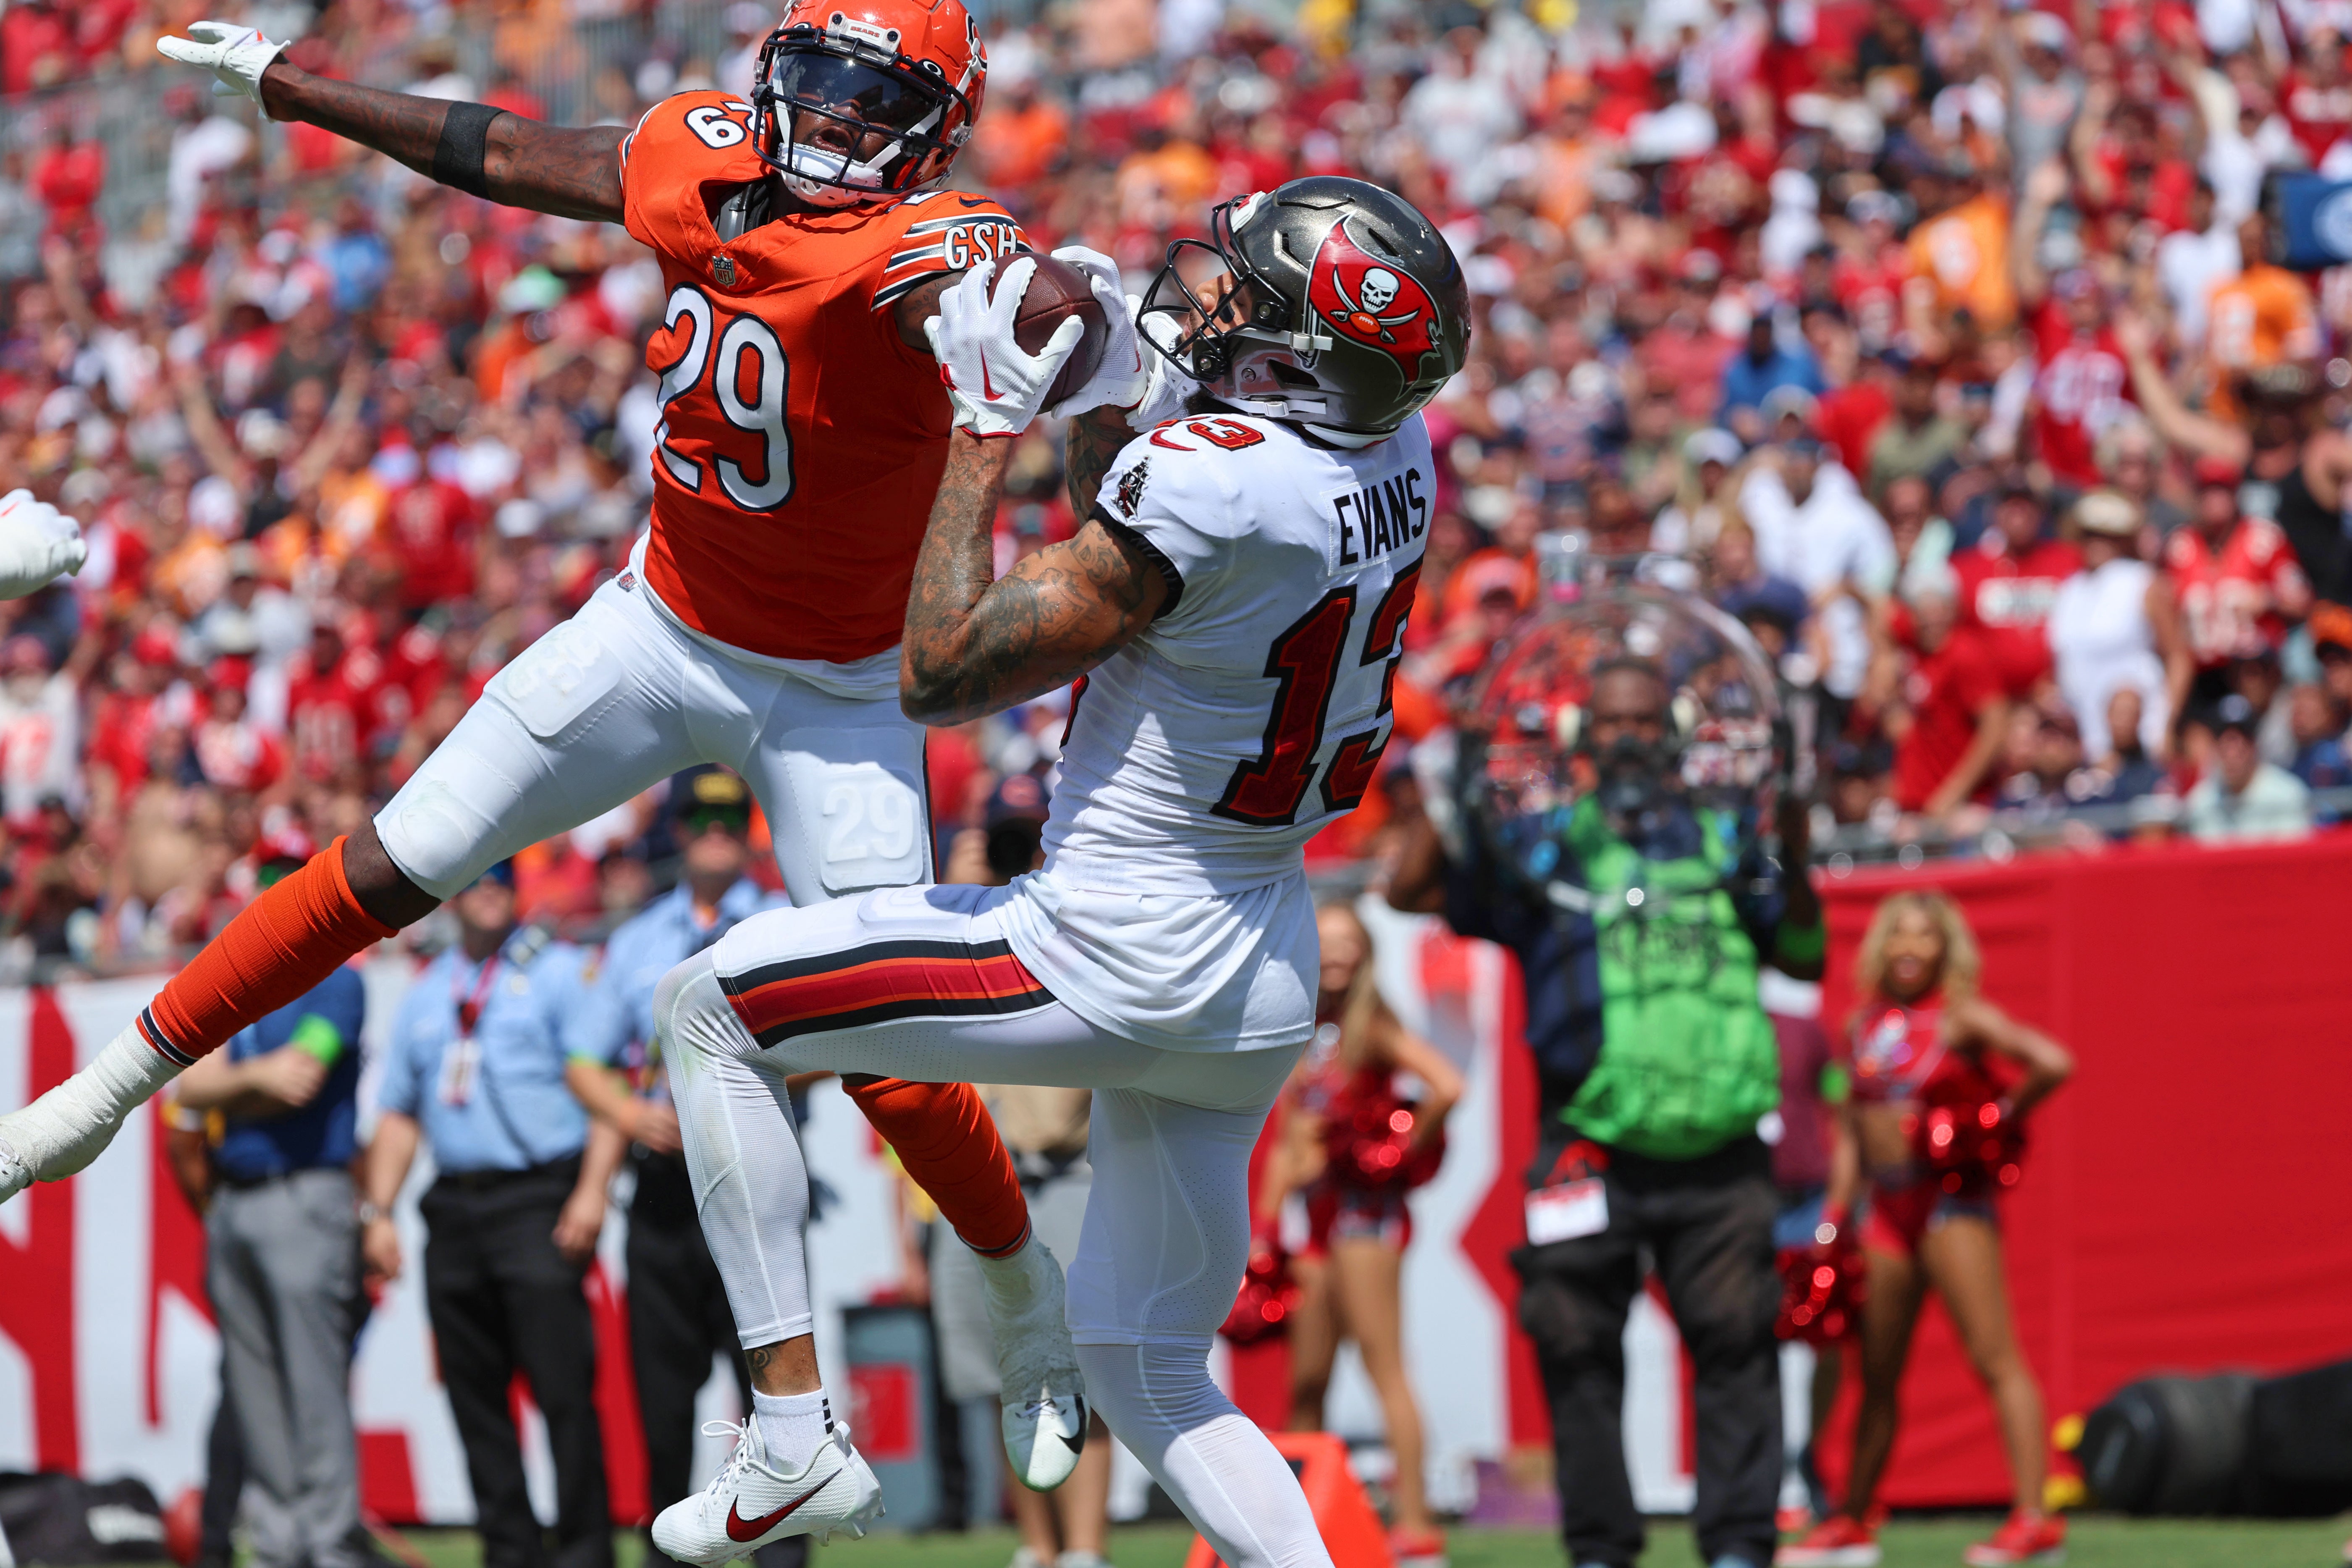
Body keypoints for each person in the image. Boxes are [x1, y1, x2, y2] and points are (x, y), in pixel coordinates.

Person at [5, 0, 1201, 1480]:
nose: (832, 119)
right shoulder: (696, 153)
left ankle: (1027, 1305)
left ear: (935, 130)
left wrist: (1061, 316)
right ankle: (101, 1096)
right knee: (400, 855)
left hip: (833, 691)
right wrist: (301, 94)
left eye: (869, 98)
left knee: (889, 1043)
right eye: (818, 82)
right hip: (660, 624)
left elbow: (1032, 307)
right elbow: (503, 147)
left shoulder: (926, 245)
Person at [637, 176, 1468, 1564]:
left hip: (1112, 941)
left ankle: (787, 1434)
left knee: (710, 1008)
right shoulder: (1396, 450)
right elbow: (1141, 538)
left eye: (1250, 303)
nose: (1216, 305)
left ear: (1302, 358)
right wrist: (1117, 394)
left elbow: (941, 671)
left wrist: (982, 421)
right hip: (1259, 956)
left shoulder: (1222, 483)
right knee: (1145, 1362)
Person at [1391, 656, 1828, 1568]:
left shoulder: (1723, 843)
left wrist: (1788, 827)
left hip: (1718, 1147)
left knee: (1736, 1343)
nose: (1628, 738)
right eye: (1611, 723)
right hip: (1583, 1143)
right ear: (1580, 740)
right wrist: (1457, 782)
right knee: (1574, 1344)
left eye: (1643, 722)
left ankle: (1741, 1548)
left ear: (1671, 735)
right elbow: (1408, 890)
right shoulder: (1544, 851)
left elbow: (1802, 954)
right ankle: (1599, 1551)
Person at [1779, 891, 2073, 1568]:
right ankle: (1852, 1520)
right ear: (1882, 946)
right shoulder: (1863, 1025)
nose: (1910, 948)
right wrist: (1835, 1217)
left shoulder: (1961, 1016)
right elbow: (1853, 1129)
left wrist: (1987, 1122)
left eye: (1925, 936)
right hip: (1884, 1211)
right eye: (1899, 936)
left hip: (1949, 1205)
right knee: (1874, 1371)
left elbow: (2053, 1061)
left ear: (1946, 949)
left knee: (1994, 1356)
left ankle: (2033, 1519)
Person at [559, 768, 805, 1568]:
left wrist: (731, 1088)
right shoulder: (635, 939)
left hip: (757, 1180)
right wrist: (635, 1115)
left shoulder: (781, 926)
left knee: (780, 1406)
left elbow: (836, 1046)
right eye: (699, 814)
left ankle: (783, 1559)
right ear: (677, 826)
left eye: (730, 814)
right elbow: (586, 1063)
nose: (715, 826)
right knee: (663, 1410)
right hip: (664, 1193)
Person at [359, 862, 624, 1568]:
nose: (489, 886)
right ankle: (509, 1551)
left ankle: (584, 1550)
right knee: (475, 1398)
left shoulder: (560, 970)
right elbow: (397, 1113)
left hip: (538, 1195)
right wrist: (378, 1210)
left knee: (563, 1390)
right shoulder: (425, 992)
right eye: (475, 875)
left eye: (502, 873)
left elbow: (606, 1084)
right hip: (454, 1207)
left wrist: (593, 1188)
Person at [930, 773, 1116, 1568]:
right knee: (1006, 1379)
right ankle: (1035, 1547)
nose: (1016, 855)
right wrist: (957, 905)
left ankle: (1085, 1548)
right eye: (1004, 837)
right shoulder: (944, 925)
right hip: (978, 1178)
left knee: (1084, 1373)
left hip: (1064, 1174)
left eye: (1025, 836)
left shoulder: (1080, 919)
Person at [170, 889, 369, 1568]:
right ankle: (281, 1546)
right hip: (237, 1200)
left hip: (304, 1191)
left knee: (314, 1384)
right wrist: (250, 1077)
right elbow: (185, 1091)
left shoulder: (338, 980)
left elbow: (303, 1075)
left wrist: (229, 1083)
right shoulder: (237, 987)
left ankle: (331, 1542)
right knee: (253, 1389)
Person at [1260, 900, 1462, 1568]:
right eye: (1329, 941)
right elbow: (1292, 1138)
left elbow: (1447, 1085)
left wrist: (1393, 1152)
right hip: (1314, 1225)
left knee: (1384, 1365)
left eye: (1351, 942)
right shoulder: (1303, 1029)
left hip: (1364, 1221)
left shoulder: (1372, 1023)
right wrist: (1265, 1223)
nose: (1340, 954)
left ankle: (1415, 1528)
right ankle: (1295, 1532)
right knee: (1307, 1379)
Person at [2045, 489, 2191, 766]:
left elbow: (2178, 657)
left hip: (2139, 737)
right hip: (2083, 738)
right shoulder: (2069, 590)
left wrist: (2162, 727)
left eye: (2108, 534)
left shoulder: (2142, 582)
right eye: (2090, 533)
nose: (2097, 542)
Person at [2182, 694, 2313, 841]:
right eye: (2223, 740)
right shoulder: (2201, 803)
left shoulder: (2287, 795)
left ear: (2254, 745)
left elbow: (2295, 857)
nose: (2232, 751)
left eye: (2241, 739)